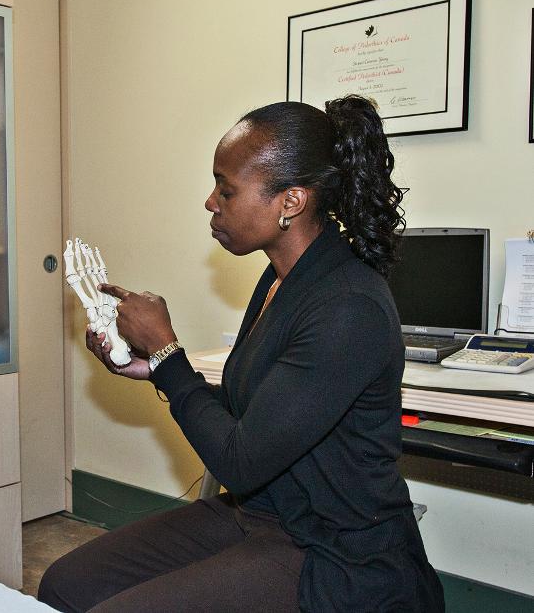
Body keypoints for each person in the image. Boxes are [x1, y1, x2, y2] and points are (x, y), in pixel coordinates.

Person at [38, 97, 444, 611]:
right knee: (66, 584)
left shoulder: (348, 306)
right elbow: (253, 414)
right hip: (262, 515)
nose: (211, 202)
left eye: (226, 189)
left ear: (290, 202)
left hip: (334, 550)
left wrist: (167, 353)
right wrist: (155, 368)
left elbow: (239, 460)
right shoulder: (279, 280)